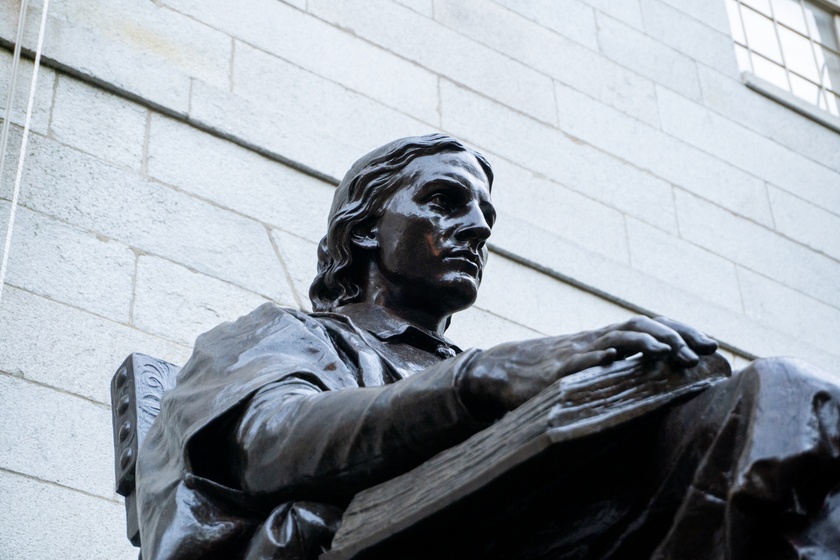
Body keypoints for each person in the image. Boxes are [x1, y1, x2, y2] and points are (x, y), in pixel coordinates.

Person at [136, 134, 840, 560]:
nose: (476, 227)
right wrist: (479, 379)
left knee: (782, 402)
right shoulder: (283, 334)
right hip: (392, 542)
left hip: (541, 527)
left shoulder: (475, 372)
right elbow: (269, 443)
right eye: (445, 201)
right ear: (366, 228)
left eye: (484, 215)